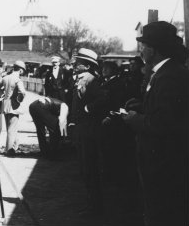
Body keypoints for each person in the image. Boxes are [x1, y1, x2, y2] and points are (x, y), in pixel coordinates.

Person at [122, 21, 189, 226]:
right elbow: (165, 109)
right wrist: (142, 106)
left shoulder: (168, 76)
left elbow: (164, 123)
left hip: (163, 163)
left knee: (161, 213)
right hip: (159, 160)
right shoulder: (164, 72)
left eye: (144, 45)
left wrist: (135, 119)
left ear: (154, 48)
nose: (141, 50)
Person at [70, 48, 107, 215]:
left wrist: (87, 108)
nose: (75, 64)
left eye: (78, 62)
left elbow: (103, 98)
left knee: (89, 167)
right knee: (84, 167)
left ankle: (95, 206)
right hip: (81, 127)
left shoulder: (91, 80)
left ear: (86, 65)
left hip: (88, 129)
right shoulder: (82, 78)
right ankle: (92, 204)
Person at [1, 60, 27, 156]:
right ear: (20, 70)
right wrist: (19, 99)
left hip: (5, 105)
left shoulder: (5, 78)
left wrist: (2, 95)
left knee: (10, 127)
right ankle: (9, 150)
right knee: (12, 129)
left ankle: (14, 146)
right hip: (14, 106)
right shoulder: (17, 80)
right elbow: (23, 92)